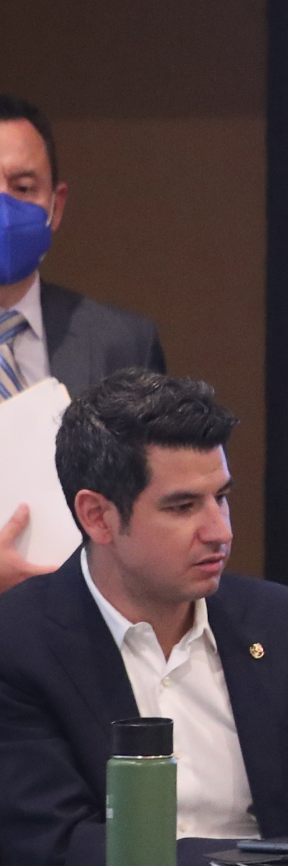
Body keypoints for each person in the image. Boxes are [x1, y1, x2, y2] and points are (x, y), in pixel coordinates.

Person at [0, 372, 288, 866]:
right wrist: (278, 864)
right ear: (97, 516)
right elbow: (58, 855)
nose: (220, 531)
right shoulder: (19, 640)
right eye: (183, 507)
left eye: (221, 498)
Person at [0, 95, 169, 595]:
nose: (4, 206)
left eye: (22, 188)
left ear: (56, 205)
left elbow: (158, 500)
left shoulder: (122, 342)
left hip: (89, 620)